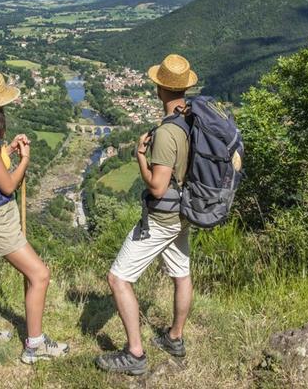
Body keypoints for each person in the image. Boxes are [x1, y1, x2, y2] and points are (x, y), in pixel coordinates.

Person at [95, 54, 197, 376]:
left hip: (162, 219)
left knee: (118, 278)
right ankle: (175, 338)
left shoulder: (167, 133)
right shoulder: (192, 121)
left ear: (159, 89)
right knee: (181, 274)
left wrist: (141, 156)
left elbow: (156, 186)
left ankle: (135, 354)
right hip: (183, 213)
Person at [0, 71, 69, 364]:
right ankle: (35, 345)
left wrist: (7, 149)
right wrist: (24, 161)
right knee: (39, 274)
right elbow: (7, 184)